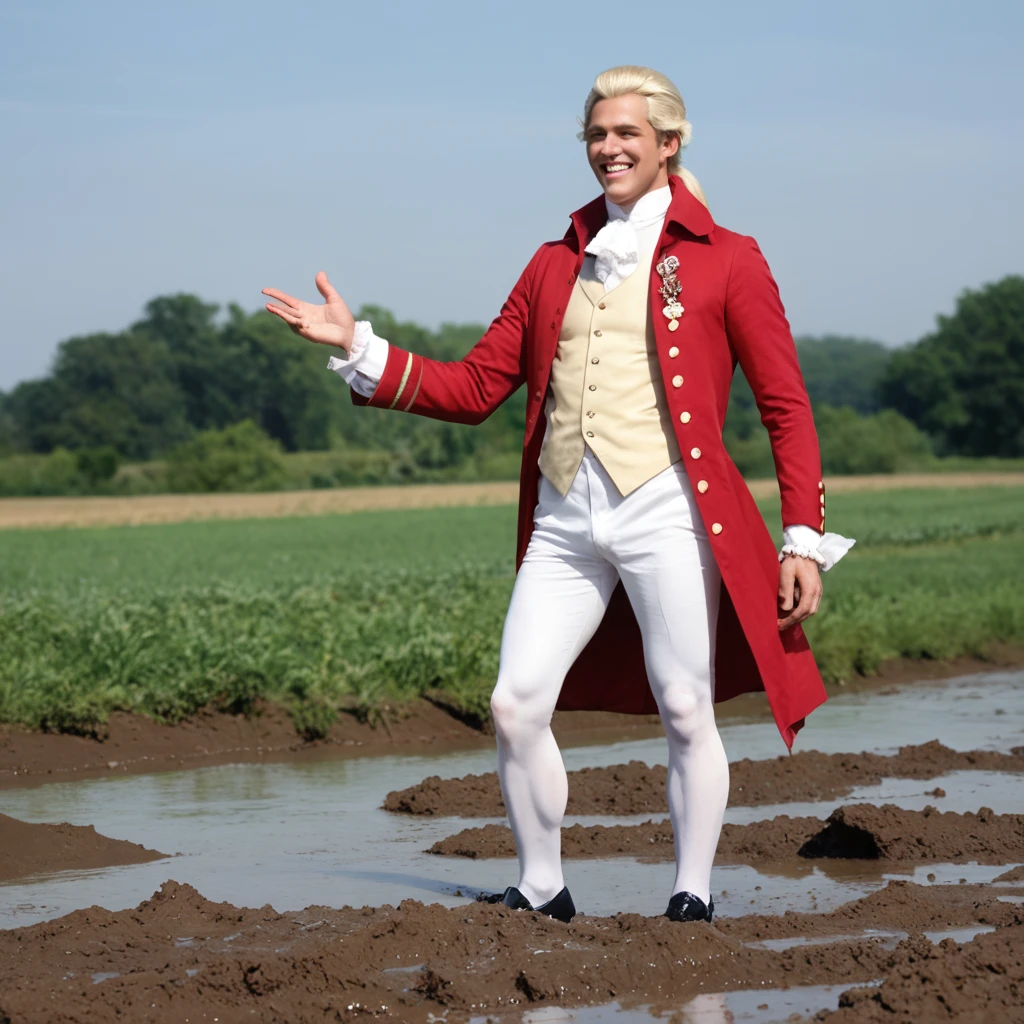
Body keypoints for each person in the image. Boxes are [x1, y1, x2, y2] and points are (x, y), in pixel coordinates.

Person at [262, 65, 853, 927]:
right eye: (596, 136)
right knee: (514, 701)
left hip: (670, 511)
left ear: (668, 145)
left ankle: (691, 890)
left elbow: (785, 406)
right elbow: (471, 388)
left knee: (684, 705)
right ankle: (542, 885)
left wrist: (803, 536)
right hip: (565, 515)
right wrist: (360, 347)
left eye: (625, 136)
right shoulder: (551, 266)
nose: (608, 149)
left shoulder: (730, 259)